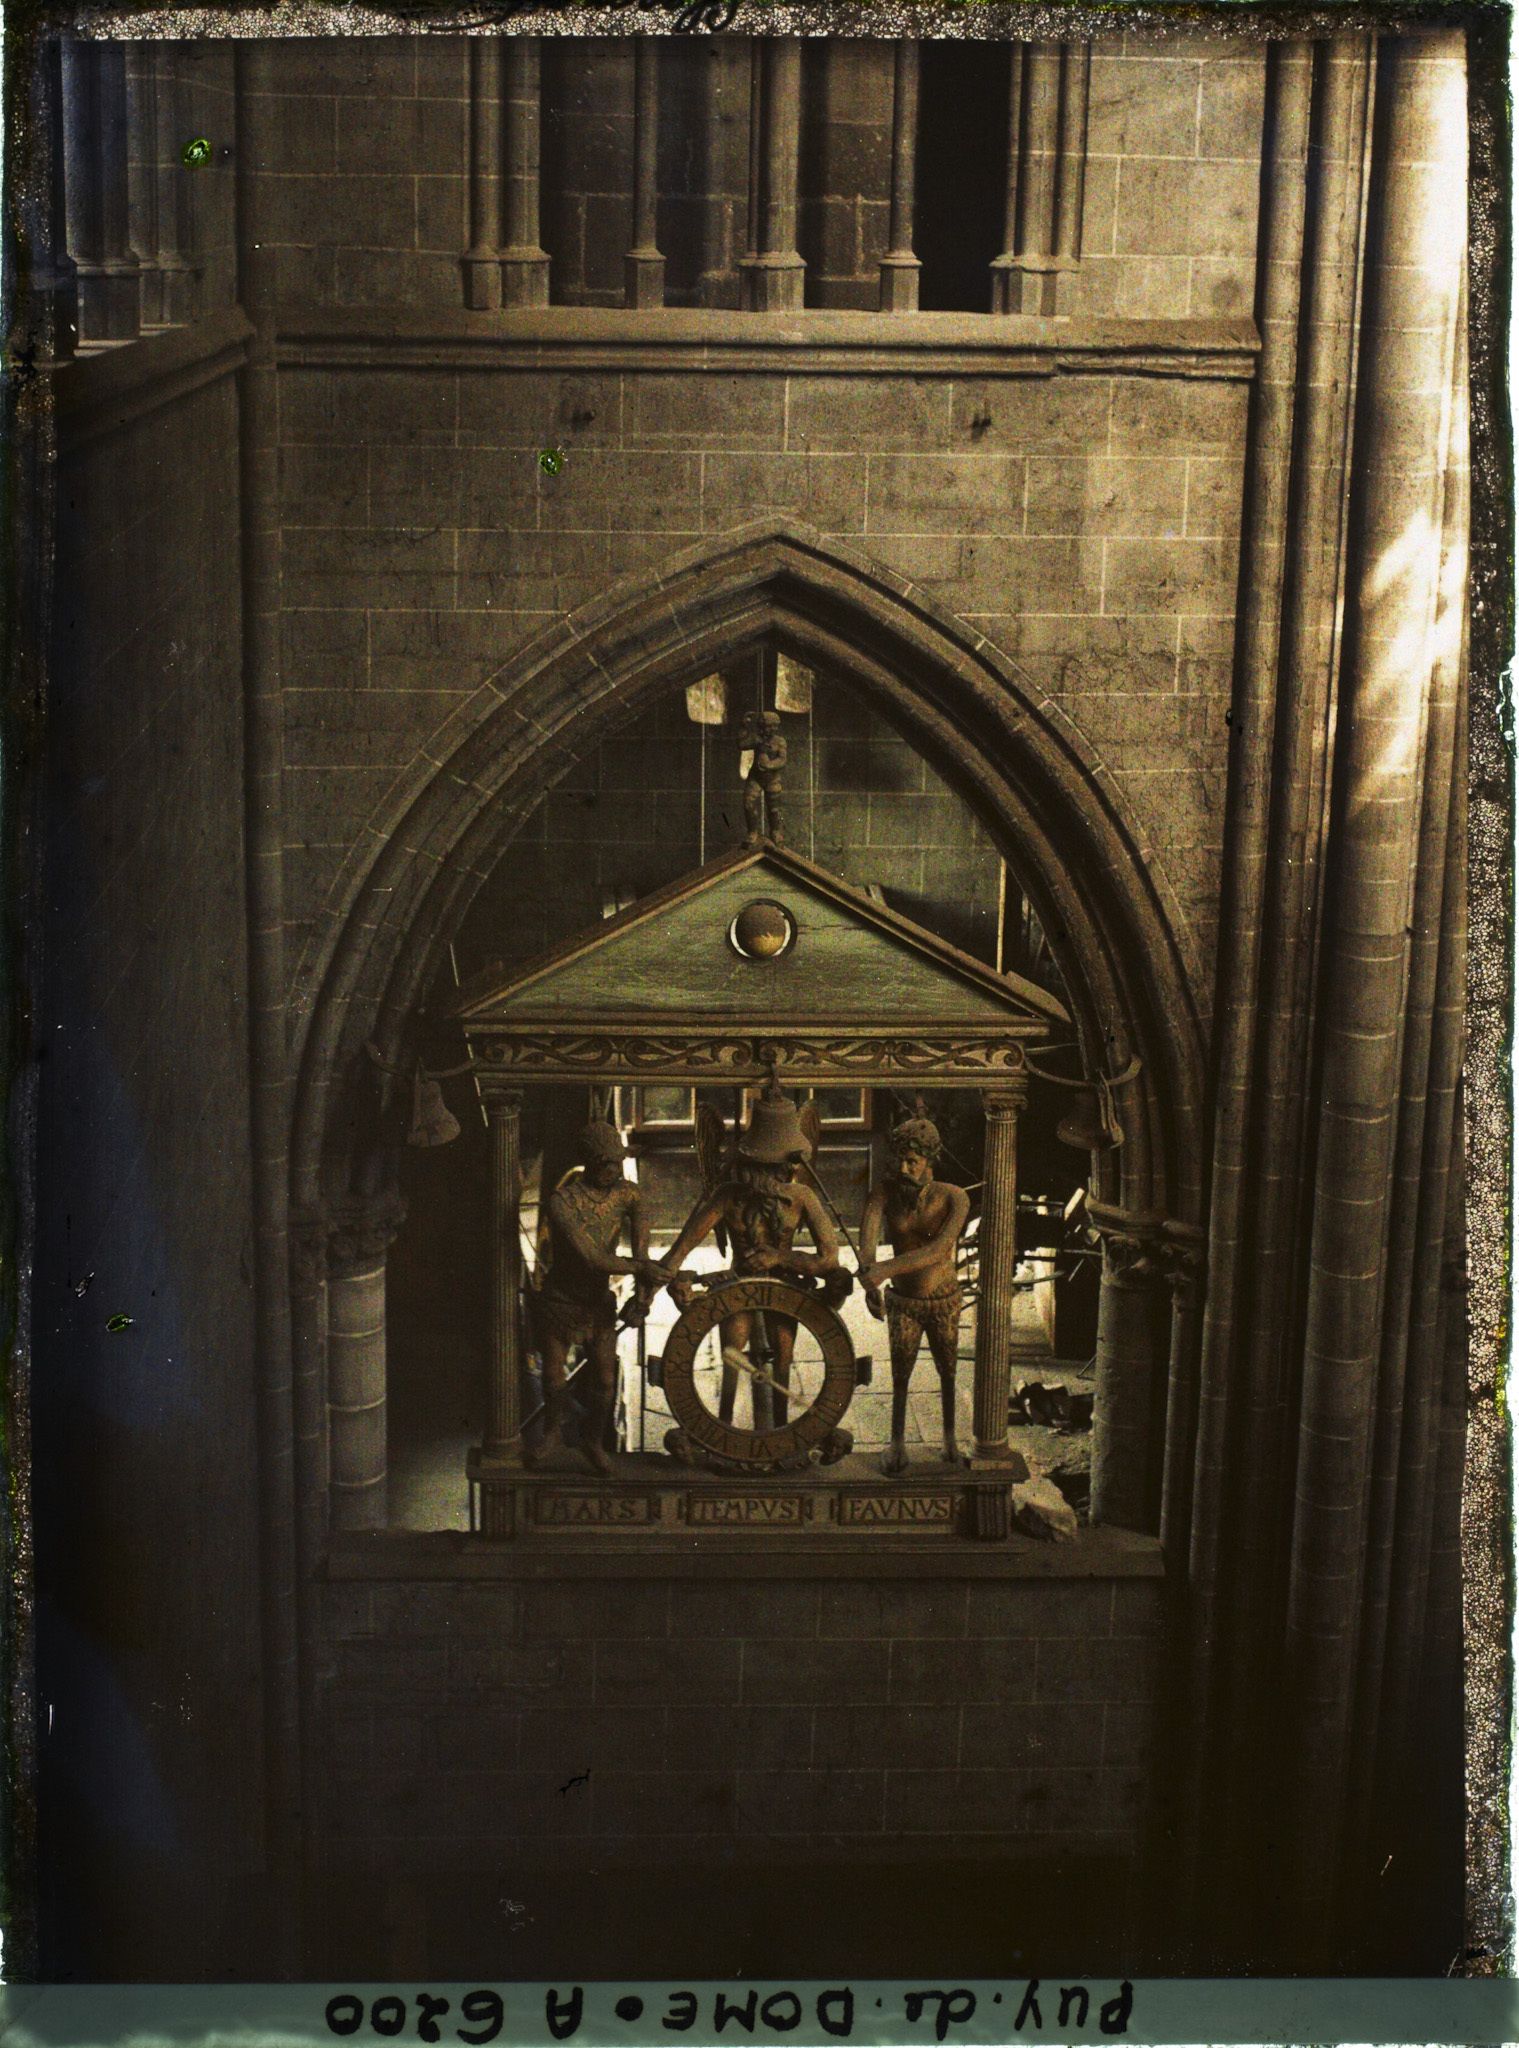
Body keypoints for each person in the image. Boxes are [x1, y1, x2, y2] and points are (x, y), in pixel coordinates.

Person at [660, 1085, 844, 1427]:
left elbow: (830, 1258)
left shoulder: (802, 1196)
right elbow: (682, 1247)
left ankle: (781, 1432)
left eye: (771, 1169)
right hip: (738, 1287)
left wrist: (781, 1258)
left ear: (786, 1167)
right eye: (757, 1167)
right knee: (732, 1357)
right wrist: (665, 1275)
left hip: (786, 1287)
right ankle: (725, 1427)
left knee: (783, 1359)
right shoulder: (729, 1195)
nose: (763, 1177)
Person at [529, 1121, 662, 1475]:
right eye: (604, 1163)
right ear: (588, 1162)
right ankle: (553, 1431)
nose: (612, 1170)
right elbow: (592, 1257)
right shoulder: (563, 1201)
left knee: (604, 1380)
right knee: (554, 1376)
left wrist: (643, 1298)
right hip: (561, 1299)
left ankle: (592, 1440)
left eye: (616, 1163)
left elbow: (643, 1255)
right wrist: (641, 1270)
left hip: (598, 1302)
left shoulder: (629, 1195)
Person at [858, 1115, 971, 1474]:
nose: (903, 1169)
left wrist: (884, 1271)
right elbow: (868, 1237)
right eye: (900, 1160)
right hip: (903, 1301)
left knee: (948, 1371)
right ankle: (897, 1442)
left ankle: (950, 1438)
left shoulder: (954, 1198)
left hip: (942, 1298)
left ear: (929, 1161)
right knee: (901, 1374)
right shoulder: (885, 1192)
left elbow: (938, 1250)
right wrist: (868, 1276)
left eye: (912, 1162)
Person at [739, 708, 787, 846]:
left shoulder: (780, 741)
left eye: (773, 726)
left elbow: (782, 760)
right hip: (756, 778)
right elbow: (741, 744)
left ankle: (776, 832)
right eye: (767, 726)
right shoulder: (756, 739)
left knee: (774, 808)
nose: (771, 729)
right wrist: (744, 726)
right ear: (762, 726)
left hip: (772, 779)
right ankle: (752, 832)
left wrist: (769, 765)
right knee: (748, 803)